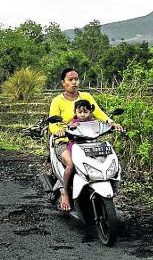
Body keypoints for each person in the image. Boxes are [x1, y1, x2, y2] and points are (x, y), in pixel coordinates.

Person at [48, 68, 123, 211]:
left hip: (87, 140)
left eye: (76, 79)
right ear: (63, 83)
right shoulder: (57, 101)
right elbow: (52, 123)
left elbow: (99, 113)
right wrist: (58, 130)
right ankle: (65, 193)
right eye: (70, 79)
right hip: (64, 141)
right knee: (70, 163)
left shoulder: (86, 96)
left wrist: (111, 122)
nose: (74, 82)